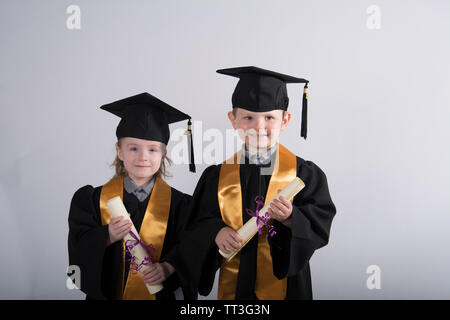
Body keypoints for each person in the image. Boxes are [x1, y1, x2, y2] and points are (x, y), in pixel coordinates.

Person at [174, 66, 336, 300]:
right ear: (233, 120)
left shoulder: (304, 175)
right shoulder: (216, 177)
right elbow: (196, 222)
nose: (258, 127)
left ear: (285, 120)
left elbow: (320, 223)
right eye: (248, 117)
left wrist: (291, 218)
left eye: (269, 117)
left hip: (287, 288)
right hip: (236, 285)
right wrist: (216, 232)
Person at [68, 92, 195, 300]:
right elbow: (77, 252)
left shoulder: (181, 205)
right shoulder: (91, 200)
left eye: (152, 149)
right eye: (133, 148)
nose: (143, 157)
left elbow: (192, 249)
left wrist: (169, 267)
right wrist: (105, 236)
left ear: (163, 154)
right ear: (119, 152)